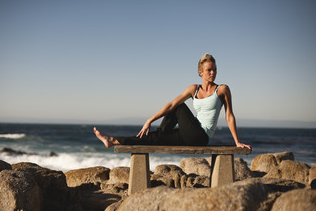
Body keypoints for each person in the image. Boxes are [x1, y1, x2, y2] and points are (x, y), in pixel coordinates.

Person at [94, 53, 251, 150]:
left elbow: (229, 115)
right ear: (200, 72)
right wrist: (150, 120)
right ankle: (112, 140)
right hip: (189, 134)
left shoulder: (222, 89)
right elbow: (169, 105)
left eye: (214, 69)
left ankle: (160, 133)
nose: (213, 73)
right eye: (209, 70)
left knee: (179, 107)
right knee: (154, 137)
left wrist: (236, 141)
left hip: (201, 137)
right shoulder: (193, 89)